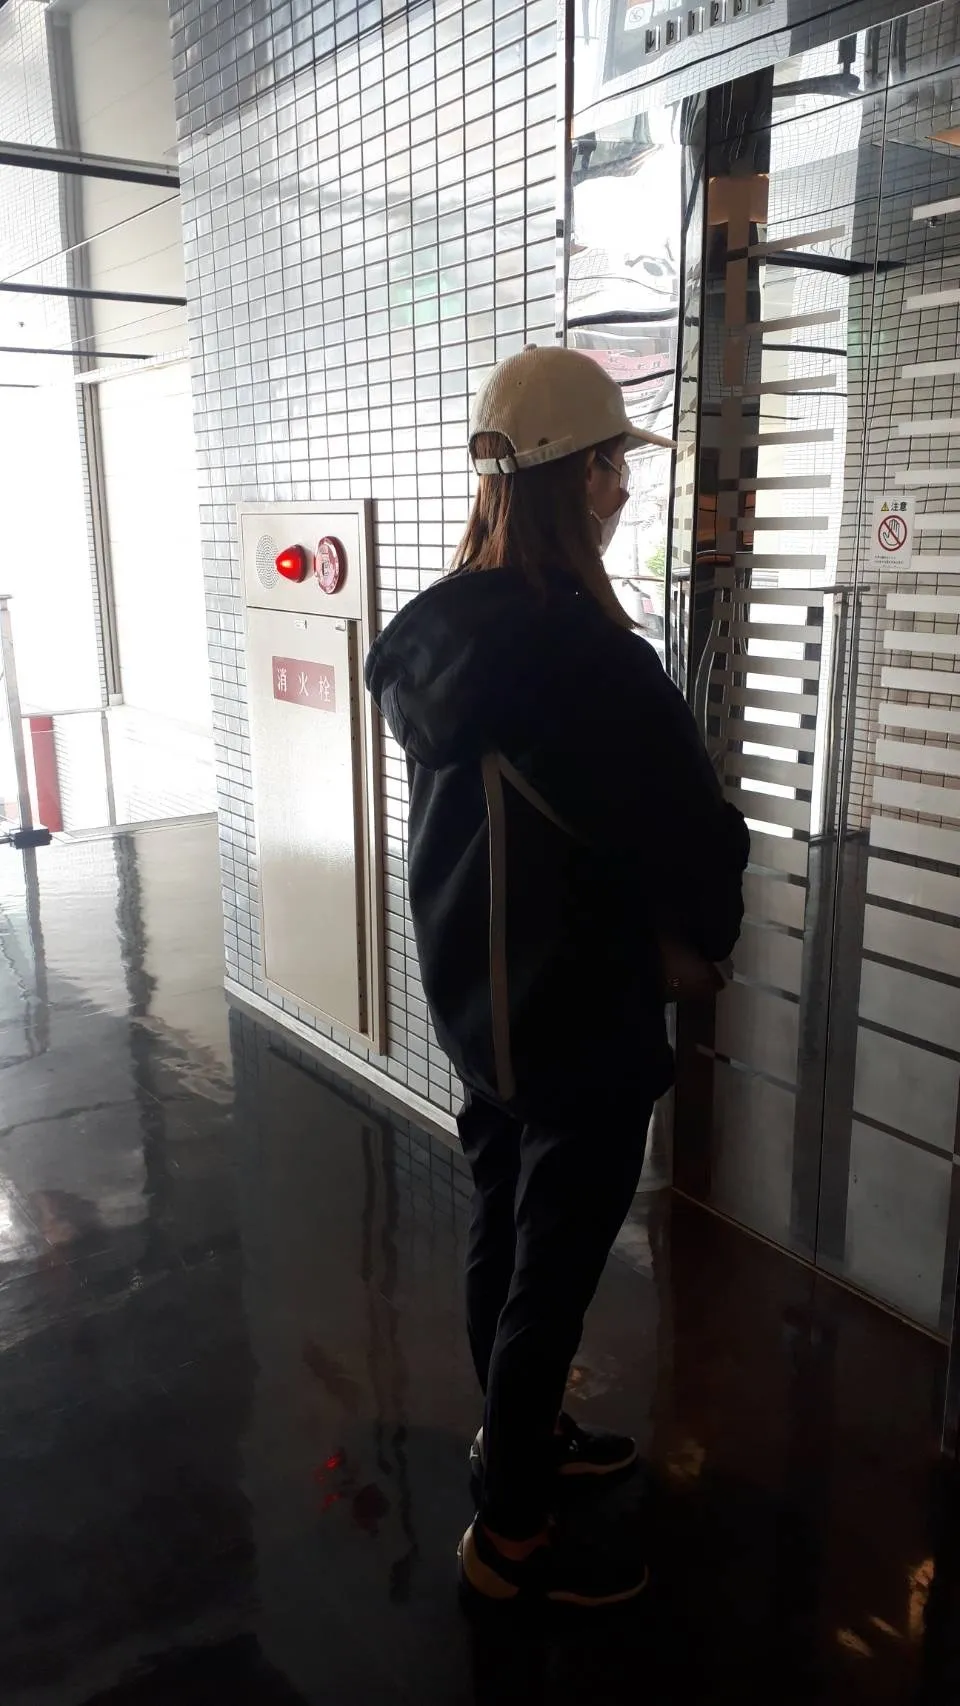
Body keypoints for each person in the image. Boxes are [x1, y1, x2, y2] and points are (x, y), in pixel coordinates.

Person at [365, 344, 749, 1608]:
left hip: (482, 1002)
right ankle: (513, 1531)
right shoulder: (589, 659)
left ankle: (516, 1435)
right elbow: (689, 829)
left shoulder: (440, 639)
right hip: (579, 1010)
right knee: (556, 1263)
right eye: (615, 466)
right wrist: (707, 929)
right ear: (580, 478)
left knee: (502, 1225)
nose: (625, 489)